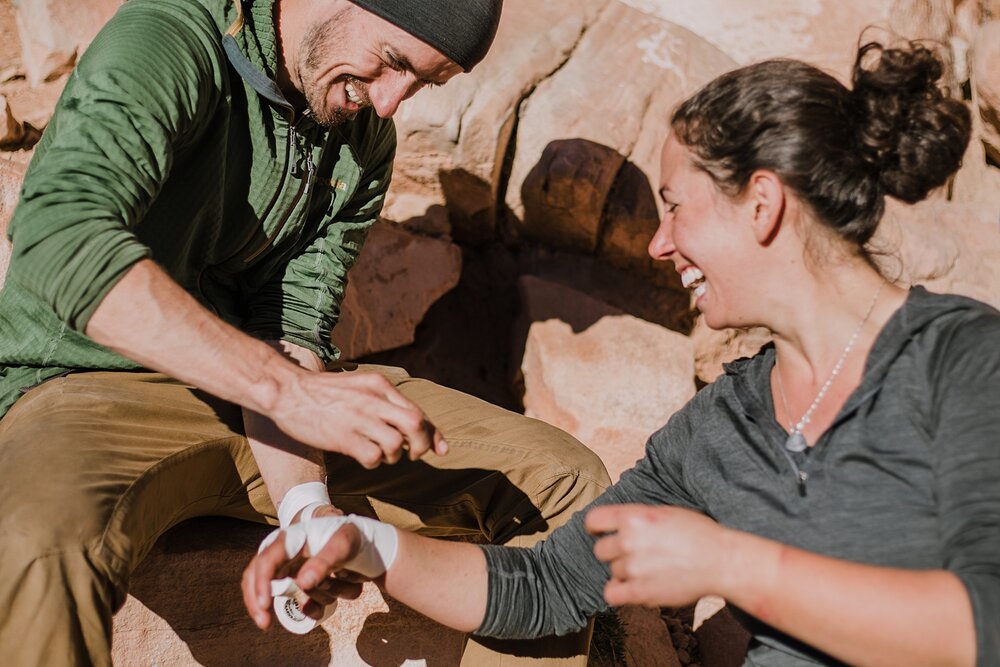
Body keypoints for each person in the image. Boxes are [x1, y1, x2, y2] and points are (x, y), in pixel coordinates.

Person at [245, 39, 1000, 666]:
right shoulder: (723, 425)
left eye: (674, 206)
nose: (658, 242)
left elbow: (983, 625)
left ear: (762, 204)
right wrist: (366, 543)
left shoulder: (965, 362)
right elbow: (543, 586)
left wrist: (734, 565)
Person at [0, 0, 612, 664]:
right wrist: (287, 391)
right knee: (37, 540)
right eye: (394, 62)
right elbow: (59, 238)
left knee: (566, 483)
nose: (389, 103)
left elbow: (290, 325)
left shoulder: (364, 136)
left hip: (264, 408)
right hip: (89, 388)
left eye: (423, 84)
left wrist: (307, 512)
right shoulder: (171, 37)